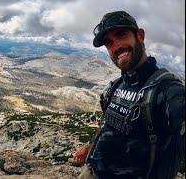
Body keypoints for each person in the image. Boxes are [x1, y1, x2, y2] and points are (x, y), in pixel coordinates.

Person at [74, 11, 185, 179]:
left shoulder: (167, 90)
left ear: (140, 35)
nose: (116, 46)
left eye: (121, 34)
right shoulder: (116, 85)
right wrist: (90, 147)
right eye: (108, 42)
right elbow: (110, 127)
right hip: (92, 172)